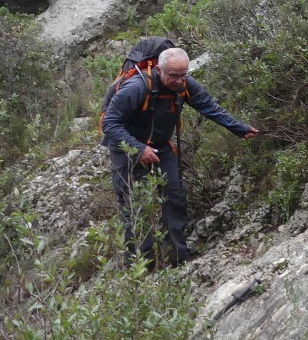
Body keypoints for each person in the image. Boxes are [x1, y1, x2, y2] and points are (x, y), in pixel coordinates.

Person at [101, 46, 257, 266]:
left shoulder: (184, 84)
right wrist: (138, 149)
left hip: (161, 148)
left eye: (184, 74)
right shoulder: (136, 87)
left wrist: (239, 128)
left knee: (175, 197)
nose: (179, 80)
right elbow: (109, 123)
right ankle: (140, 268)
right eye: (173, 76)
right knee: (136, 208)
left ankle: (177, 259)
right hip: (127, 150)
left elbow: (208, 106)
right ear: (159, 70)